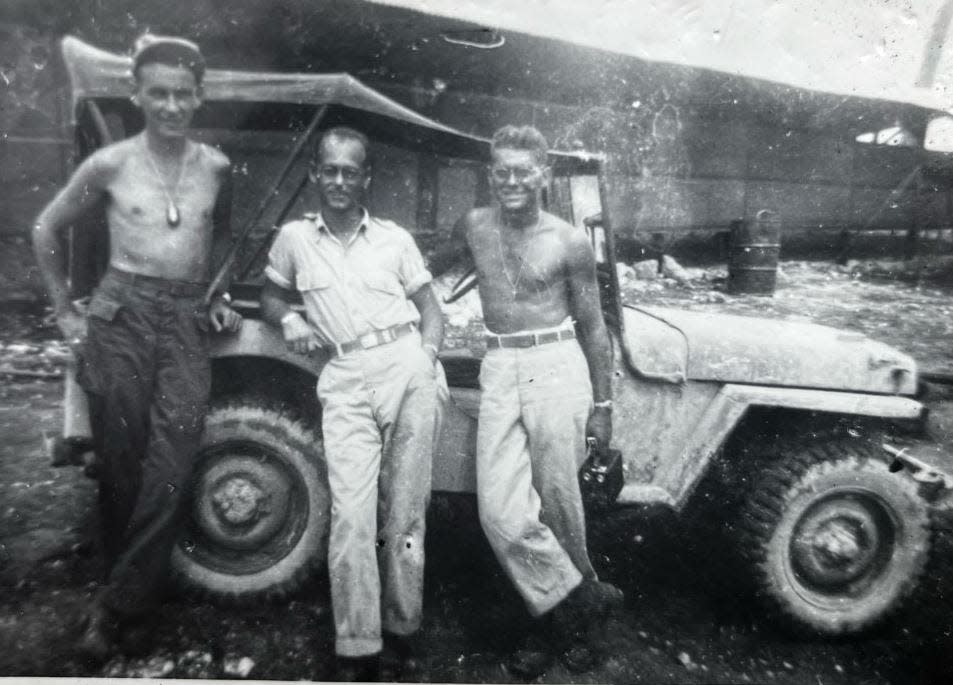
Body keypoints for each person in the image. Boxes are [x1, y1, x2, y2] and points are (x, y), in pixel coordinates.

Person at [32, 34, 242, 660]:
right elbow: (46, 227)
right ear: (137, 95)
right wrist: (66, 310)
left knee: (172, 464)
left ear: (199, 96)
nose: (171, 106)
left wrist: (218, 290)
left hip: (183, 321)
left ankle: (116, 604)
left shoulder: (216, 167)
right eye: (158, 94)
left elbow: (224, 234)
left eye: (183, 94)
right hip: (119, 314)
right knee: (120, 465)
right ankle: (129, 602)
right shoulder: (110, 164)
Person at [431, 124, 623, 676]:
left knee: (560, 503)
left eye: (523, 171)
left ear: (544, 175)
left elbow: (592, 324)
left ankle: (557, 630)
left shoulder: (568, 241)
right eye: (501, 171)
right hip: (499, 366)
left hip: (554, 365)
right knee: (501, 512)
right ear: (491, 174)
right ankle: (583, 601)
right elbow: (423, 272)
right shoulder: (474, 225)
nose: (511, 181)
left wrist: (603, 407)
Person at [260, 126, 445, 682]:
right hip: (342, 375)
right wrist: (288, 317)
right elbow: (271, 294)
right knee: (351, 515)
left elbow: (431, 308)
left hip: (405, 363)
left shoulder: (394, 239)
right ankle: (358, 647)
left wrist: (426, 358)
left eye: (351, 171)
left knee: (406, 511)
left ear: (367, 178)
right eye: (330, 170)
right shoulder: (294, 238)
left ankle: (404, 631)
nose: (340, 181)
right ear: (315, 174)